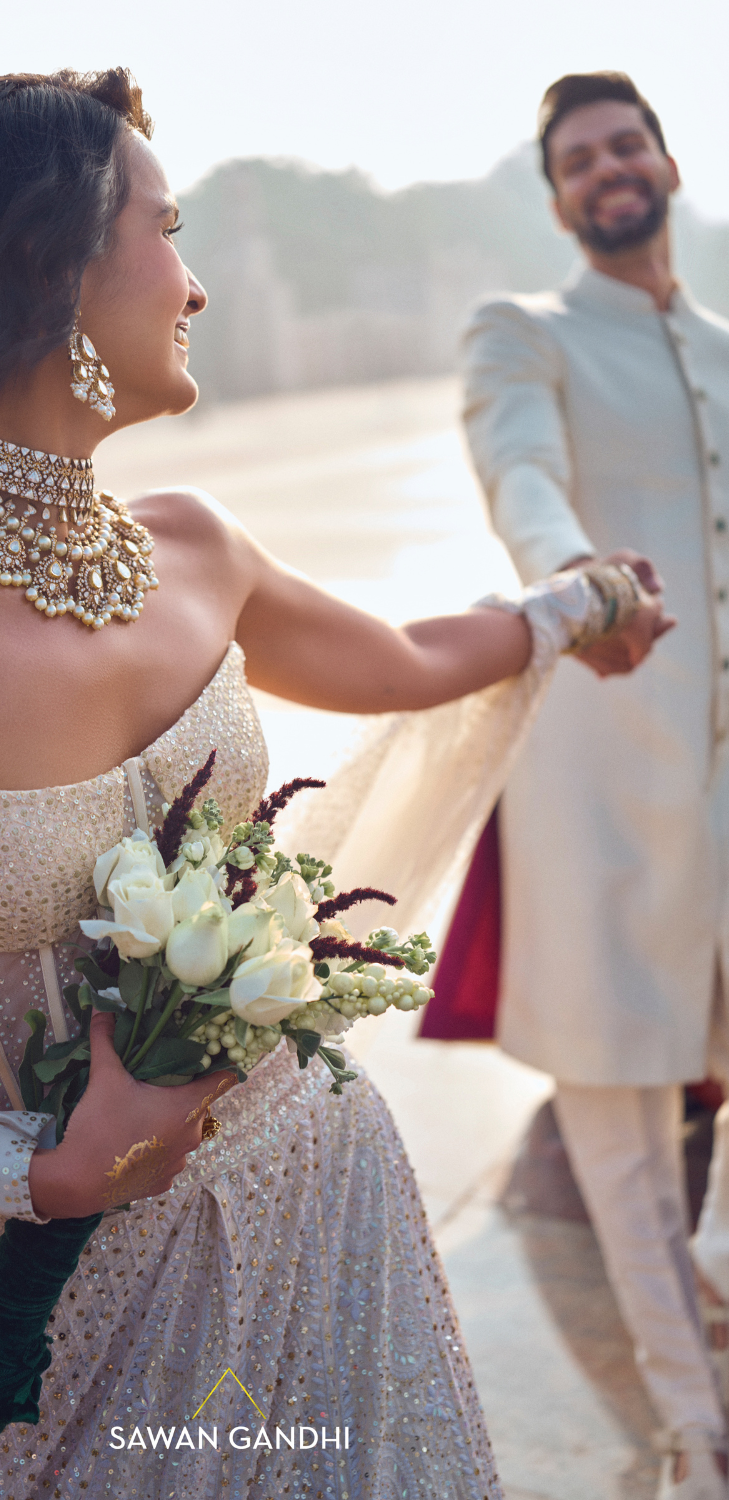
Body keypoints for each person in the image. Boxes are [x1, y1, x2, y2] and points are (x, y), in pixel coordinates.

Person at [0, 71, 664, 1500]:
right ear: (50, 265)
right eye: (167, 230)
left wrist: (583, 604)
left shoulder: (197, 546)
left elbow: (411, 657)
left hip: (327, 1199)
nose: (199, 285)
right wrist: (31, 1169)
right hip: (57, 1311)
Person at [462, 71, 729, 1500]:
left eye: (628, 144)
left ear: (667, 163)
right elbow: (522, 472)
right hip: (603, 788)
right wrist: (580, 583)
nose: (610, 169)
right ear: (559, 198)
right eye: (580, 159)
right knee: (619, 1131)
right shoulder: (526, 331)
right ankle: (693, 1426)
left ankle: (719, 1265)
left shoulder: (726, 348)